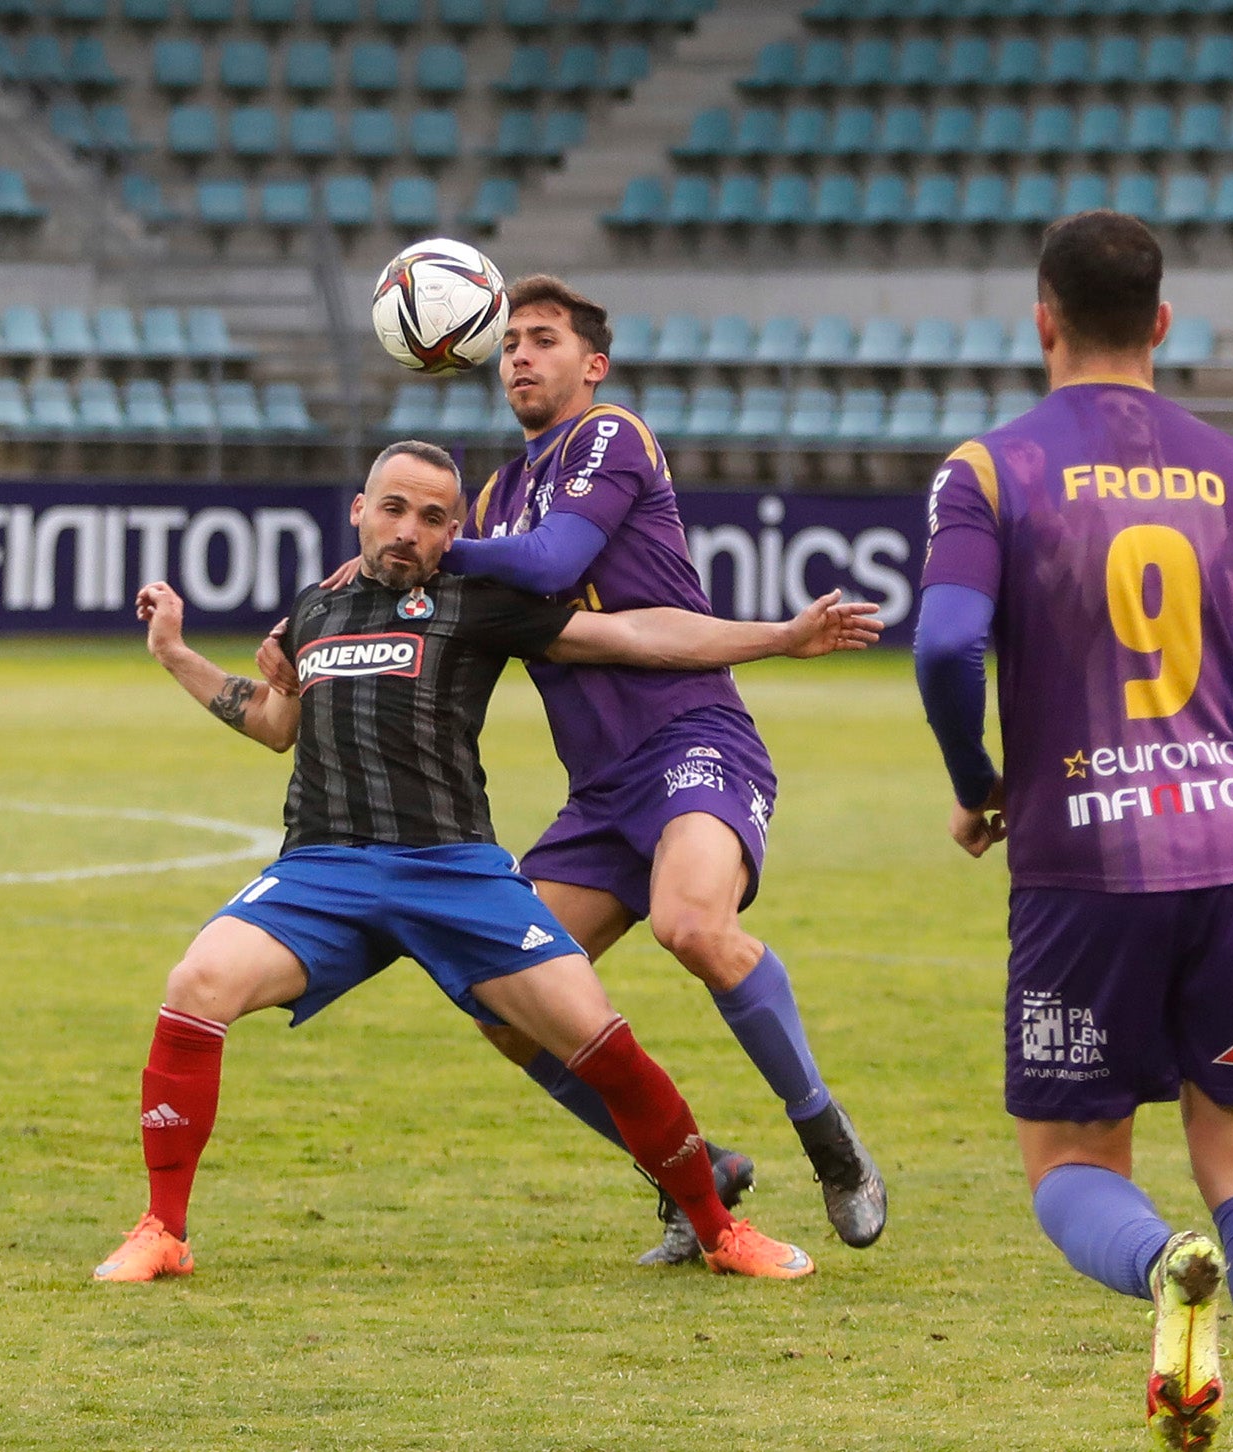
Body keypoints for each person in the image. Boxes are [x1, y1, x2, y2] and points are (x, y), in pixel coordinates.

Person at [93, 439, 881, 1285]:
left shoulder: (474, 604)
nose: (409, 530)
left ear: (454, 533)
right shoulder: (313, 612)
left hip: (454, 872)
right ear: (358, 510)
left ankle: (720, 1227)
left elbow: (634, 636)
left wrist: (780, 636)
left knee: (594, 1033)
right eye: (393, 508)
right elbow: (278, 724)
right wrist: (177, 653)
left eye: (433, 518)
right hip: (323, 870)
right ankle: (163, 1232)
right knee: (195, 985)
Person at [268, 276, 887, 1266]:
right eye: (508, 341)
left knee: (693, 924)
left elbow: (556, 564)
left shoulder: (611, 439)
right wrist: (371, 583)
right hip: (600, 791)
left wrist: (433, 542)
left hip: (692, 739)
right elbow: (448, 620)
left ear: (590, 365)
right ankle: (696, 1177)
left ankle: (828, 1137)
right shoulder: (495, 496)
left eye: (543, 339)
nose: (519, 354)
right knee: (503, 1008)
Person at [915, 210, 1233, 1452]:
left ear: (1041, 318)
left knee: (1066, 1165)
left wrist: (982, 777)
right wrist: (1211, 726)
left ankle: (1164, 1262)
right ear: (1163, 323)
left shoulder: (991, 469)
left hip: (1086, 862)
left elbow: (948, 643)